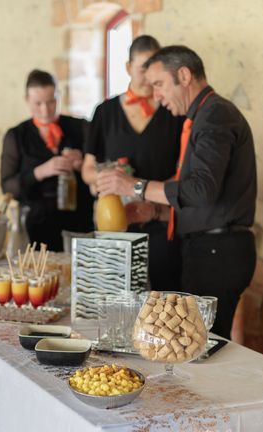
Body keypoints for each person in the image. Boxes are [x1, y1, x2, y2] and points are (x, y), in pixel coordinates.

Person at [97, 45, 257, 339]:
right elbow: (202, 194)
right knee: (192, 347)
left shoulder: (216, 115)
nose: (155, 95)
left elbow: (200, 191)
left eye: (159, 84)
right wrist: (155, 211)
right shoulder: (202, 117)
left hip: (217, 253)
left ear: (183, 75)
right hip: (208, 249)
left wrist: (134, 186)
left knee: (199, 350)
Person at [82, 35, 185, 291]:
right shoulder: (105, 112)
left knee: (163, 297)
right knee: (115, 296)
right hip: (115, 221)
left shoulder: (173, 111)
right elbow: (86, 170)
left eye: (154, 68)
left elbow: (184, 173)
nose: (149, 76)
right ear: (128, 68)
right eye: (142, 68)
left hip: (161, 221)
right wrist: (108, 178)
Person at [0, 69, 94, 252]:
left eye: (51, 102)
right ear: (26, 100)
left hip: (79, 223)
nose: (45, 110)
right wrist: (40, 171)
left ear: (59, 96)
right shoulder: (17, 136)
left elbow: (101, 170)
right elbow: (7, 187)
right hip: (35, 228)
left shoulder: (81, 127)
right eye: (38, 103)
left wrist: (82, 165)